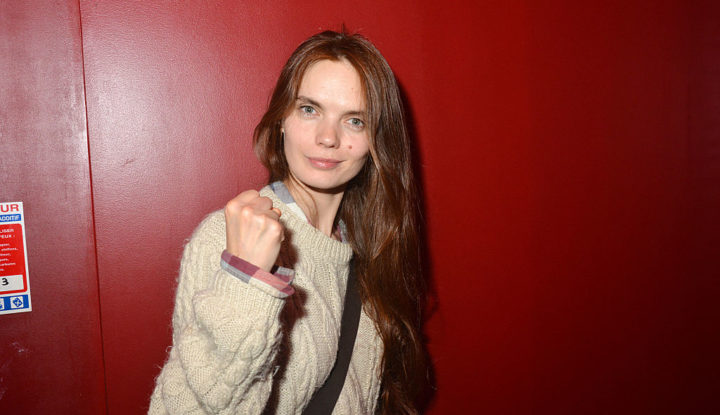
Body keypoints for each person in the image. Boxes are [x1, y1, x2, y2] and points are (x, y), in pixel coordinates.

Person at [149, 29, 426, 414]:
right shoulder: (226, 238)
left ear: (376, 140)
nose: (327, 137)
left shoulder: (368, 249)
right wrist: (246, 278)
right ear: (282, 119)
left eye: (354, 120)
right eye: (309, 109)